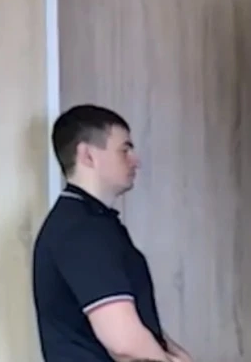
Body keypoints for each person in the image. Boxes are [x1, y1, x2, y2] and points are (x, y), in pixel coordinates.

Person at [32, 105, 193, 361]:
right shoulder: (80, 230)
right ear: (87, 155)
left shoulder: (96, 223)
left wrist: (175, 353)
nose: (135, 160)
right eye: (124, 150)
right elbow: (124, 341)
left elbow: (134, 319)